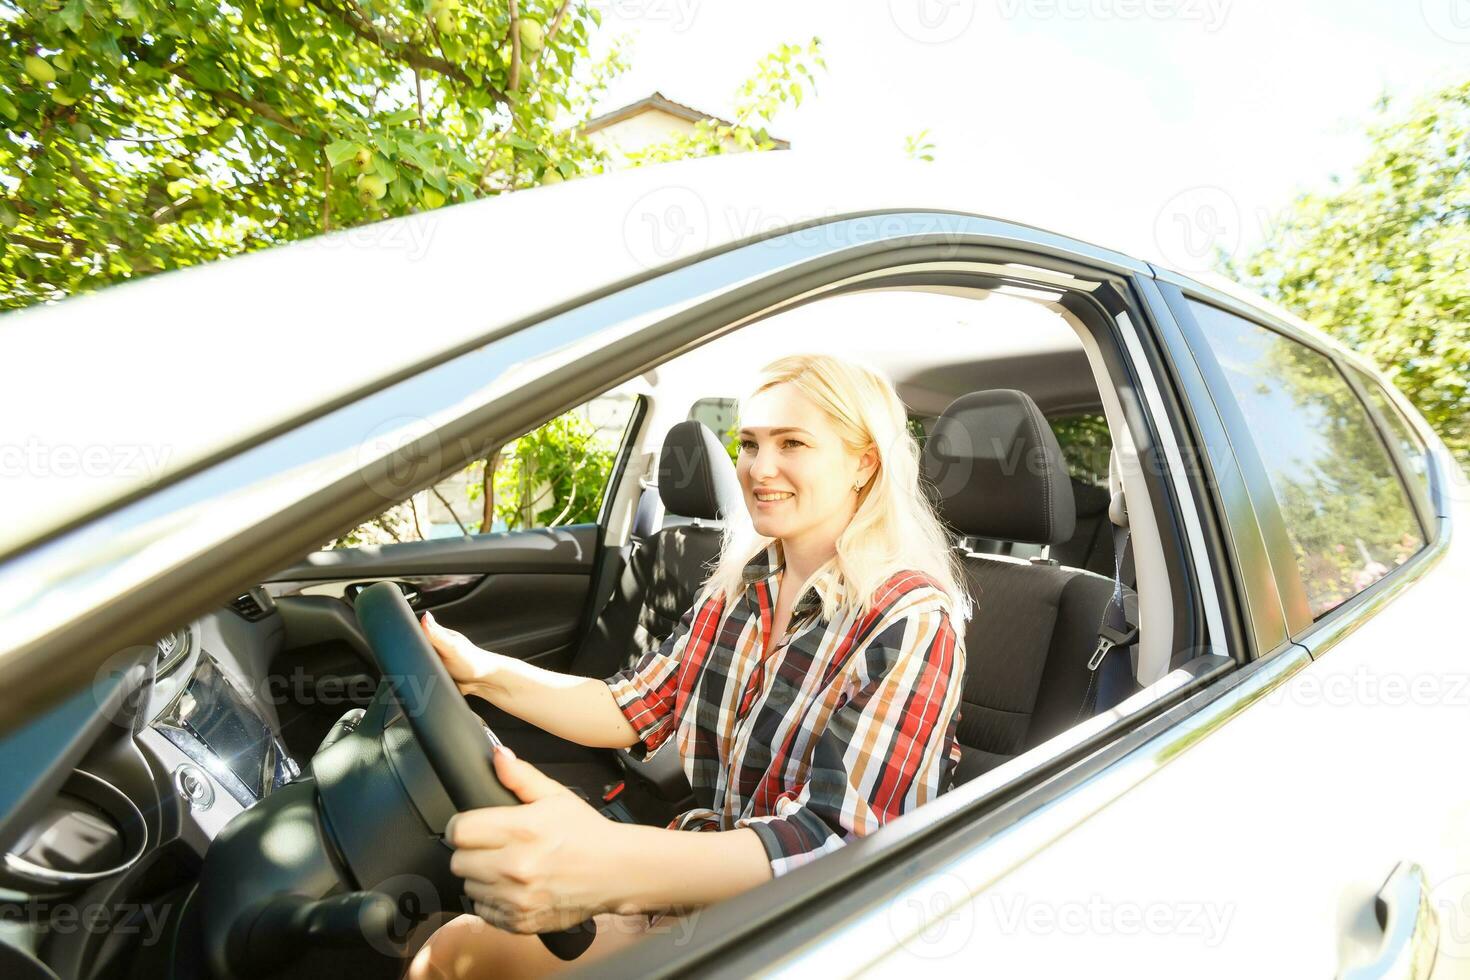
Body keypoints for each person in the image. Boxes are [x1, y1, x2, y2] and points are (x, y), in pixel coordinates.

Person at [408, 353, 972, 979]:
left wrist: (613, 862)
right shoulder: (742, 588)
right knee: (453, 940)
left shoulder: (911, 619)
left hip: (792, 927)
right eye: (750, 443)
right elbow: (633, 707)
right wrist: (477, 670)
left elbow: (839, 848)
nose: (760, 468)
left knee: (453, 952)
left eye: (792, 443)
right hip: (694, 878)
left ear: (864, 462)